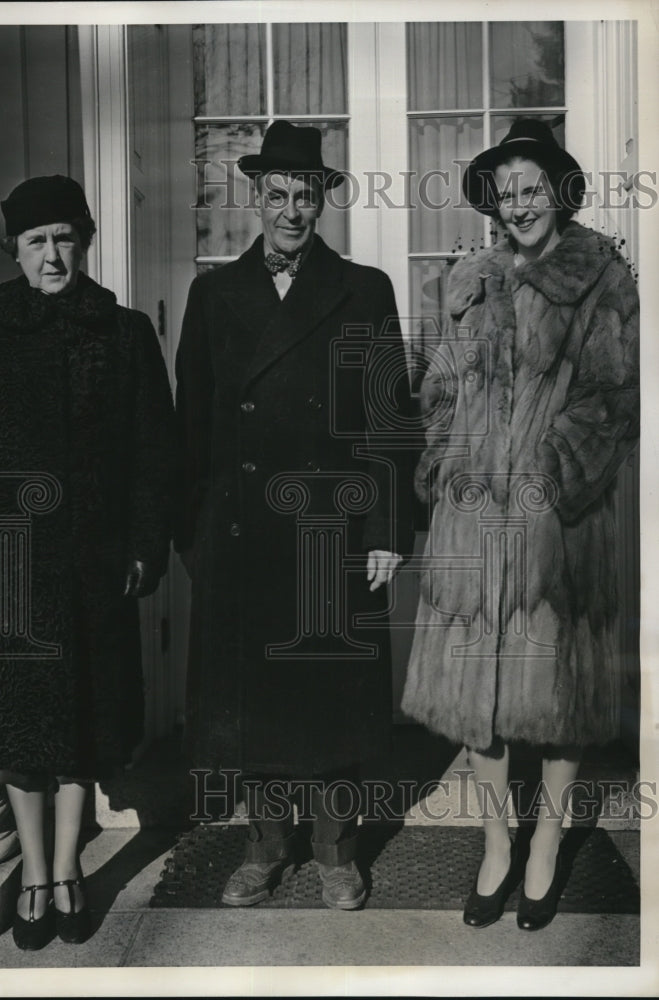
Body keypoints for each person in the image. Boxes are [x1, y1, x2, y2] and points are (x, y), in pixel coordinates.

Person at [401, 119, 639, 930]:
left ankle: (544, 847)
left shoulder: (602, 277)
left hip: (557, 523)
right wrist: (445, 461)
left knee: (558, 689)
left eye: (532, 187)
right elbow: (433, 388)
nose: (518, 203)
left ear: (559, 191)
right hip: (470, 520)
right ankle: (496, 845)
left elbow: (610, 399)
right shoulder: (465, 280)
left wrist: (545, 481)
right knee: (474, 693)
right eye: (505, 192)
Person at [175, 120, 414, 909]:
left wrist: (384, 532)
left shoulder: (365, 289)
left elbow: (387, 422)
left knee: (331, 700)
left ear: (322, 201)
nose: (290, 211)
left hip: (331, 530)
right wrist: (195, 534)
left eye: (304, 195)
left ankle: (336, 852)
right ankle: (264, 845)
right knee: (255, 707)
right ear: (254, 198)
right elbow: (193, 425)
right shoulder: (213, 295)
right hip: (241, 532)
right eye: (276, 195)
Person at [0, 175, 176, 949]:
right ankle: (35, 872)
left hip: (94, 560)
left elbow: (154, 451)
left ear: (87, 240)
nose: (53, 255)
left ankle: (68, 870)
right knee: (18, 732)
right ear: (14, 248)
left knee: (85, 721)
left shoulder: (125, 330)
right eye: (37, 241)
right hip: (7, 559)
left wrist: (146, 542)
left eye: (66, 238)